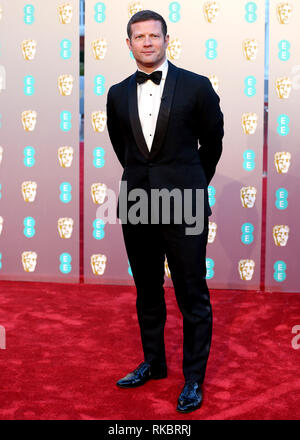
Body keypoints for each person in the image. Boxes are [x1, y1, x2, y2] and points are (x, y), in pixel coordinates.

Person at [106, 10, 224, 413]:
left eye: (153, 35)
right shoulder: (117, 93)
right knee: (147, 291)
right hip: (137, 202)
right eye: (139, 37)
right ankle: (154, 364)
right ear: (129, 44)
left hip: (185, 203)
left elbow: (212, 143)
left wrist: (190, 183)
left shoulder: (196, 86)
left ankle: (193, 379)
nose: (147, 42)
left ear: (166, 39)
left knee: (192, 294)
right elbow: (123, 149)